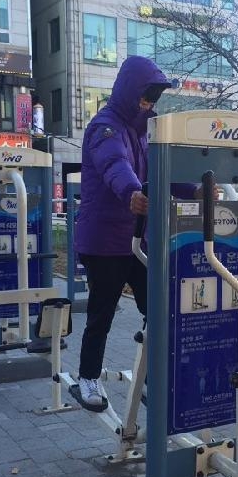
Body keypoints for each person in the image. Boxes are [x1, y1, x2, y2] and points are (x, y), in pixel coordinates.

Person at [74, 56, 199, 411]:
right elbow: (114, 163)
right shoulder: (104, 127)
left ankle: (151, 378)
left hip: (138, 240)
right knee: (102, 313)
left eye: (154, 97)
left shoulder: (148, 132)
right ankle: (88, 377)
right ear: (129, 90)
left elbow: (164, 170)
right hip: (104, 241)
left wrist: (196, 190)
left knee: (158, 309)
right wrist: (131, 192)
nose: (148, 102)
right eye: (145, 95)